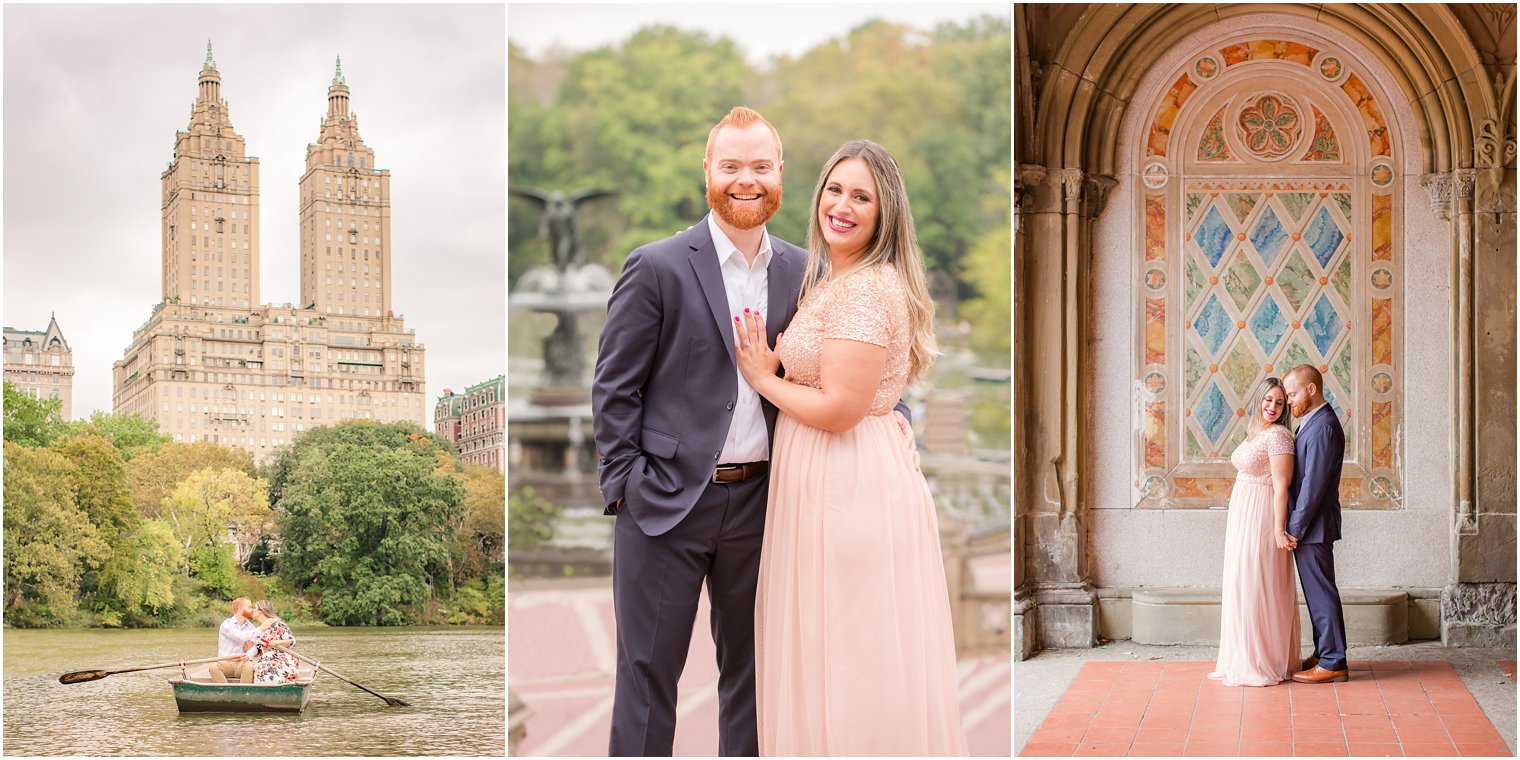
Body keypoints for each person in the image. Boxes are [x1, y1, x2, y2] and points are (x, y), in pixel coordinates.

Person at [735, 139, 968, 755]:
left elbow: (841, 408)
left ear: (884, 211)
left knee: (849, 660)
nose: (842, 205)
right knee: (831, 651)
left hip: (845, 484)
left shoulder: (864, 289)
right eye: (835, 190)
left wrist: (763, 378)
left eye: (861, 196)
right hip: (829, 478)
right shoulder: (835, 279)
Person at [592, 106, 803, 757]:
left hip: (764, 508)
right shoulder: (655, 266)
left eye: (760, 167)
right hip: (664, 507)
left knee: (753, 679)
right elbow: (614, 388)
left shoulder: (803, 271)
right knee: (647, 679)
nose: (747, 180)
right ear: (708, 171)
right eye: (733, 166)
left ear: (779, 174)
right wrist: (625, 485)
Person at [1208, 377, 1301, 687]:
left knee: (1257, 581)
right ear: (1259, 400)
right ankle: (1240, 656)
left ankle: (1263, 659)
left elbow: (1281, 485)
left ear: (1286, 406)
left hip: (1262, 515)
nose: (1272, 406)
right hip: (1242, 514)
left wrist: (1278, 529)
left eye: (1279, 401)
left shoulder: (1279, 437)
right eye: (1268, 400)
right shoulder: (1256, 433)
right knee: (1241, 581)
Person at [1283, 365, 1350, 683]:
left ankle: (1335, 661)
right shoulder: (1312, 423)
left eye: (1293, 393)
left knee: (1322, 592)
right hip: (1312, 526)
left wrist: (1295, 529)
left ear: (1312, 390)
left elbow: (1313, 486)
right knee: (1316, 591)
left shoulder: (1323, 426)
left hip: (1313, 526)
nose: (1289, 400)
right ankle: (1325, 652)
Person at [245, 599, 300, 684]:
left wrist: (278, 643)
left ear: (261, 611)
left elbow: (292, 641)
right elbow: (258, 652)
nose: (252, 610)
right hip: (265, 660)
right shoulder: (259, 629)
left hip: (280, 659)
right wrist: (248, 647)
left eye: (255, 608)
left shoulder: (277, 624)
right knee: (259, 667)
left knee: (267, 668)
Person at [209, 596, 257, 684]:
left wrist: (249, 654)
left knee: (249, 665)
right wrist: (260, 629)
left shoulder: (251, 627)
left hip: (241, 663)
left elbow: (255, 647)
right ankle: (226, 693)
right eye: (249, 607)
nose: (252, 610)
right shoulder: (226, 624)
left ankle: (243, 694)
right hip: (226, 662)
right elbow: (240, 637)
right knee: (214, 667)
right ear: (240, 609)